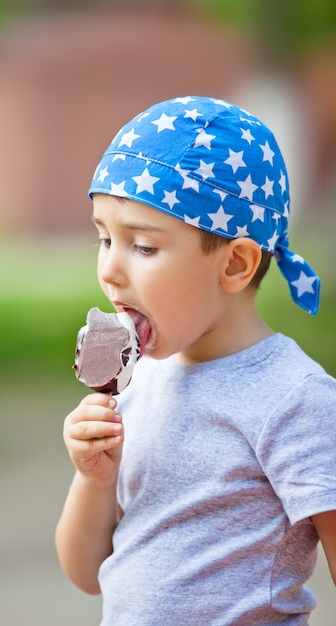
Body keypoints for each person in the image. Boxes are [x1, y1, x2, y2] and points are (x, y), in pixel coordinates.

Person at [55, 96, 336, 625]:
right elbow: (88, 573)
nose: (110, 269)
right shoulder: (138, 385)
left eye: (142, 247)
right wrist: (94, 478)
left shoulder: (294, 398)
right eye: (104, 237)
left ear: (234, 263)